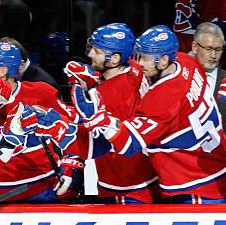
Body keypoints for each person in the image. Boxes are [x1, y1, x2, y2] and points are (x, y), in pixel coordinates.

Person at [71, 25, 226, 203]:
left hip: (195, 184)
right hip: (215, 163)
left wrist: (99, 120)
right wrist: (98, 75)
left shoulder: (162, 100)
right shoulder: (186, 62)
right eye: (138, 56)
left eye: (145, 58)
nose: (140, 63)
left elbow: (130, 144)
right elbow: (136, 70)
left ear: (164, 60)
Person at [63, 23, 161, 204]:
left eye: (97, 51)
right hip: (146, 177)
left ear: (115, 58)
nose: (90, 54)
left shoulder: (107, 94)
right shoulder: (134, 69)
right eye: (92, 48)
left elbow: (92, 138)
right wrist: (93, 78)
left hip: (124, 185)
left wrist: (71, 157)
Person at [0, 41, 82, 203]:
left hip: (42, 191)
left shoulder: (40, 93)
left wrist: (72, 161)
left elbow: (76, 128)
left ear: (2, 71)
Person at [191, 22, 226, 124]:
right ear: (195, 47)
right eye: (209, 49)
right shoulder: (180, 77)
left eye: (218, 50)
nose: (214, 55)